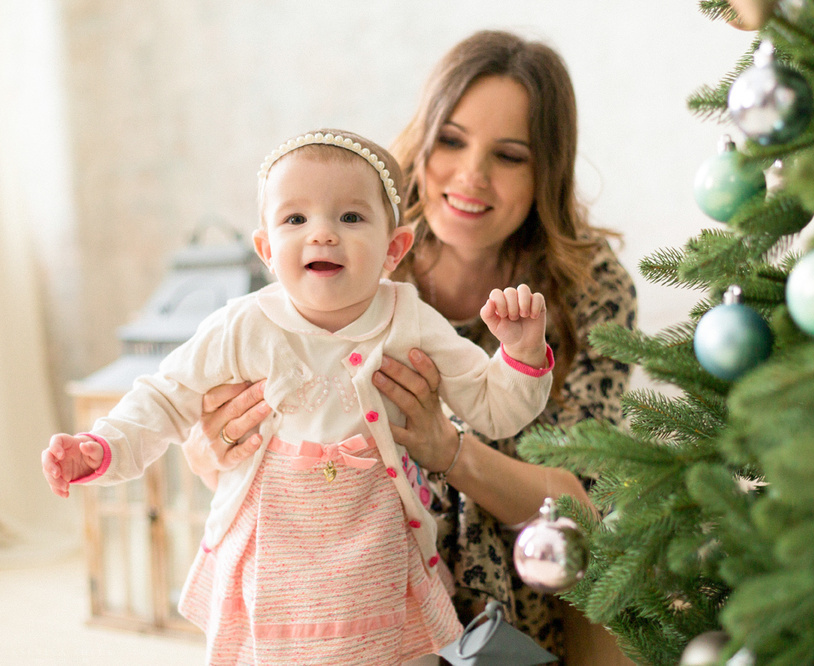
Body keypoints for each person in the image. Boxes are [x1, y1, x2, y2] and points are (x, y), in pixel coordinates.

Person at [184, 30, 637, 661]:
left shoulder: (587, 288)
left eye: (509, 155)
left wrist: (446, 449)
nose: (470, 176)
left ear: (546, 171)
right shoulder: (349, 247)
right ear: (423, 140)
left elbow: (578, 509)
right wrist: (213, 445)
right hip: (346, 579)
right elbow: (224, 435)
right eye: (450, 141)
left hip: (522, 582)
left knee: (624, 587)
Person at [41, 128, 557, 665]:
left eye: (351, 218)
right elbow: (165, 398)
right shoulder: (242, 325)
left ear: (393, 247)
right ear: (266, 248)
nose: (323, 235)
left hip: (374, 551)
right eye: (295, 219)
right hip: (272, 551)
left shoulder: (410, 322)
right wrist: (102, 447)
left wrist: (519, 354)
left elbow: (495, 409)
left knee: (396, 652)